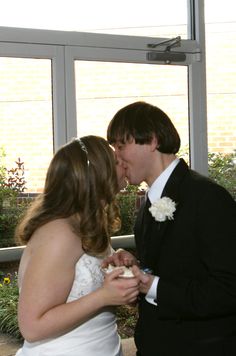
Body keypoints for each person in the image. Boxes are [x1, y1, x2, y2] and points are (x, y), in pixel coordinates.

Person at [104, 101, 236, 356]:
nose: (116, 157)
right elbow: (180, 266)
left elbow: (229, 288)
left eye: (121, 146)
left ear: (152, 140)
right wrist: (137, 266)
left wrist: (153, 287)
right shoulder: (147, 203)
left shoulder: (208, 197)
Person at [15, 135, 139, 356]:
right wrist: (103, 296)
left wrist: (115, 267)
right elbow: (32, 327)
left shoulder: (86, 222)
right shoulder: (59, 233)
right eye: (115, 161)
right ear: (97, 175)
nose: (123, 163)